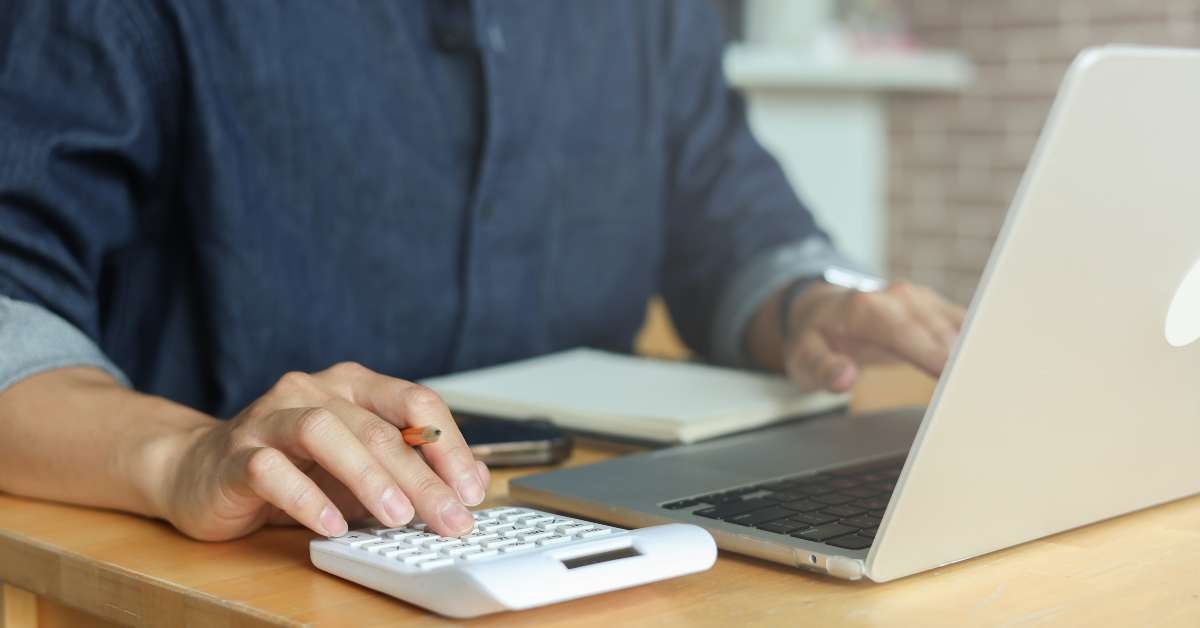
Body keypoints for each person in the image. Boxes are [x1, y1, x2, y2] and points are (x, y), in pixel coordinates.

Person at [0, 1, 963, 542]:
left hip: (591, 552)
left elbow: (731, 214)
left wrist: (808, 303)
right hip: (258, 563)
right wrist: (188, 456)